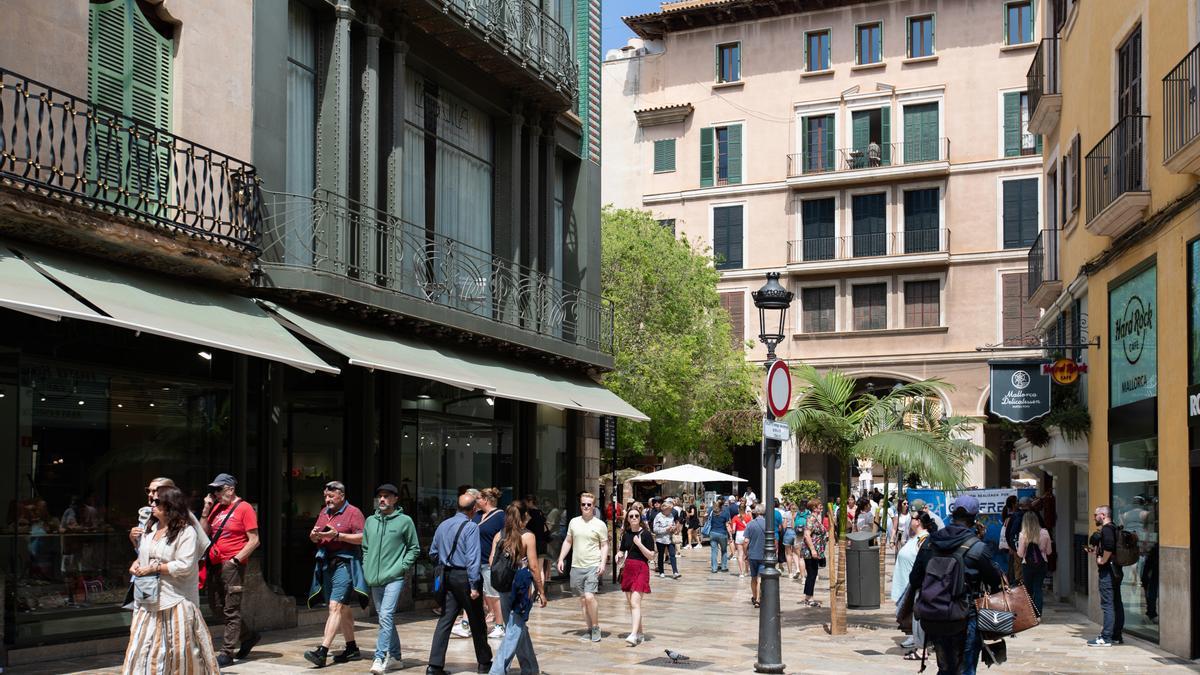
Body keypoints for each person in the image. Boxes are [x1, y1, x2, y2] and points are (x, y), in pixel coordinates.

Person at [122, 486, 219, 672]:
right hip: (148, 600)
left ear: (170, 505)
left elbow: (184, 565)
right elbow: (146, 554)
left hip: (174, 600)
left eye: (157, 501)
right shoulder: (150, 529)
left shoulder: (186, 532)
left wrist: (154, 567)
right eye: (151, 500)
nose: (152, 504)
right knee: (142, 650)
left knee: (178, 651)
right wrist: (136, 563)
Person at [905, 495, 1002, 675]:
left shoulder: (929, 543)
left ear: (952, 515)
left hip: (934, 616)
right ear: (974, 518)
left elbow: (915, 580)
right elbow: (995, 582)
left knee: (945, 668)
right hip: (965, 617)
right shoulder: (977, 548)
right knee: (965, 669)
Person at [427, 492, 493, 675]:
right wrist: (473, 584)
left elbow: (432, 552)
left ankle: (434, 666)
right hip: (464, 577)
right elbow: (473, 558)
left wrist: (444, 565)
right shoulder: (471, 527)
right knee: (477, 621)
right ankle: (484, 663)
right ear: (474, 509)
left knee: (445, 620)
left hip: (447, 576)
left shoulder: (443, 525)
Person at [304, 481, 368, 667]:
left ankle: (322, 651)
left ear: (341, 495)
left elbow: (363, 537)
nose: (327, 500)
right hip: (326, 562)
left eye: (331, 496)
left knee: (335, 607)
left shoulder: (354, 513)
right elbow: (314, 535)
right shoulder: (324, 512)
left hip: (345, 563)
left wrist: (338, 536)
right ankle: (352, 648)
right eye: (325, 496)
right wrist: (314, 536)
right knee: (344, 608)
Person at [200, 473, 261, 667]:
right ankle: (248, 636)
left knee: (231, 608)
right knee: (216, 607)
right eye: (214, 490)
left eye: (219, 489)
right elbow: (202, 533)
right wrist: (206, 509)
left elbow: (254, 540)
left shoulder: (245, 508)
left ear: (230, 489)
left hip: (232, 565)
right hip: (214, 563)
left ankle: (227, 652)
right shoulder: (216, 507)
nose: (215, 494)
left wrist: (235, 560)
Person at [362, 483, 419, 675]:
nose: (383, 499)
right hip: (374, 578)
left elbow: (414, 548)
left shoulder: (405, 521)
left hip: (394, 576)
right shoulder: (370, 521)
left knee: (385, 616)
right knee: (384, 617)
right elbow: (365, 548)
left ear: (395, 499)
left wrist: (401, 567)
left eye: (387, 496)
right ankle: (396, 657)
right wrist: (366, 565)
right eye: (380, 496)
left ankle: (379, 657)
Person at [488, 503, 546, 674]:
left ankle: (530, 668)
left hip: (502, 585)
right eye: (527, 515)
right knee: (515, 629)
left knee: (518, 626)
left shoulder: (500, 534)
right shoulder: (528, 536)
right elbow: (535, 567)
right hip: (519, 587)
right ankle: (497, 671)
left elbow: (492, 561)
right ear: (523, 517)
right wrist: (541, 591)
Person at [556, 492, 609, 642]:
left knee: (590, 596)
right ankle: (589, 628)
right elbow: (568, 541)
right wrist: (561, 558)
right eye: (583, 504)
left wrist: (602, 563)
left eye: (589, 504)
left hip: (592, 565)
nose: (586, 507)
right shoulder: (573, 522)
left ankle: (596, 627)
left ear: (594, 506)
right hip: (576, 566)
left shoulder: (600, 524)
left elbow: (605, 545)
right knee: (583, 600)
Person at [893, 512, 935, 660]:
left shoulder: (924, 539)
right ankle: (919, 644)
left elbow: (923, 563)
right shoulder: (916, 538)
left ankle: (921, 648)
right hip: (911, 584)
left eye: (913, 518)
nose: (911, 520)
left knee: (918, 617)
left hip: (918, 585)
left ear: (918, 522)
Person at [1085, 505, 1124, 647]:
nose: (1094, 518)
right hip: (1116, 570)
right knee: (1116, 603)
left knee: (1107, 604)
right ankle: (1116, 635)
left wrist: (1102, 560)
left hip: (1108, 571)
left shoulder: (1107, 529)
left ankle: (1106, 637)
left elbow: (1109, 546)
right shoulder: (1114, 527)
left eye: (1095, 515)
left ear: (1103, 515)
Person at [617, 503, 655, 646]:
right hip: (628, 569)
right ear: (627, 519)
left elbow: (651, 556)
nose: (633, 518)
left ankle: (633, 635)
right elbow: (622, 550)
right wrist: (618, 554)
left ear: (640, 518)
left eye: (636, 516)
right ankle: (640, 633)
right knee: (632, 604)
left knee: (635, 603)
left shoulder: (645, 534)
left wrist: (639, 544)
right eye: (631, 516)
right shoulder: (626, 534)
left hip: (641, 569)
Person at [474, 487, 507, 640]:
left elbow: (505, 538)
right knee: (474, 594)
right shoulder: (477, 515)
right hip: (475, 561)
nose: (476, 501)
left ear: (486, 500)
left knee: (493, 594)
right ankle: (470, 624)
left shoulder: (500, 516)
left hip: (489, 562)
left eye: (478, 498)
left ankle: (500, 625)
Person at [1016, 510, 1051, 615]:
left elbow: (1020, 554)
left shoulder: (1023, 534)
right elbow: (1049, 551)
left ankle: (1030, 614)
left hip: (1027, 565)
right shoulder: (1045, 532)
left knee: (1028, 590)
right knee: (1038, 589)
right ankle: (1038, 614)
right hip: (1042, 564)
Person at [800, 498, 827, 607]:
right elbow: (807, 535)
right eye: (819, 505)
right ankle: (809, 598)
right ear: (814, 508)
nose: (821, 506)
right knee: (812, 574)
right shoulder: (811, 518)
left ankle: (808, 597)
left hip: (816, 551)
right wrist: (812, 550)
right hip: (811, 551)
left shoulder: (816, 518)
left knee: (813, 574)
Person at [523, 494, 551, 583]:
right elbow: (546, 528)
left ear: (530, 502)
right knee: (540, 569)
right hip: (542, 543)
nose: (525, 505)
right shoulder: (541, 513)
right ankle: (540, 592)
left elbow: (524, 527)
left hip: (532, 543)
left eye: (526, 502)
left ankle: (533, 592)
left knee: (531, 569)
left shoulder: (528, 514)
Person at [744, 505, 767, 608]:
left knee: (753, 577)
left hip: (752, 555)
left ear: (756, 512)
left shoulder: (750, 524)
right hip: (764, 555)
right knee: (760, 578)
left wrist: (746, 553)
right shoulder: (768, 524)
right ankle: (758, 599)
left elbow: (746, 541)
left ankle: (754, 597)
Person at [652, 500, 680, 579]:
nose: (671, 511)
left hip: (670, 539)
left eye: (671, 509)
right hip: (660, 539)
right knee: (661, 555)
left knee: (672, 555)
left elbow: (673, 524)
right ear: (664, 509)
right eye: (669, 509)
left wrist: (674, 528)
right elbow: (655, 529)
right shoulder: (658, 516)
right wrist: (665, 529)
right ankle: (661, 572)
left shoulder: (671, 515)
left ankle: (675, 572)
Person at [707, 497, 731, 573]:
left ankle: (714, 568)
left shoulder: (712, 511)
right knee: (724, 550)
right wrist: (730, 536)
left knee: (714, 551)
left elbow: (706, 518)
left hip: (713, 533)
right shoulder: (725, 512)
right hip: (722, 533)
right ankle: (724, 567)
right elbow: (727, 524)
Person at [732, 504, 751, 577]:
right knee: (746, 554)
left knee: (740, 554)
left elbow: (733, 530)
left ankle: (741, 572)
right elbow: (750, 527)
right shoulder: (748, 517)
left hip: (739, 535)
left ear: (738, 510)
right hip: (746, 535)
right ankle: (746, 570)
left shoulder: (735, 518)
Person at [780, 502, 798, 579]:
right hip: (796, 534)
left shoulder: (786, 514)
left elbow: (784, 526)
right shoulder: (798, 514)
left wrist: (787, 520)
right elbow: (795, 526)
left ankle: (790, 573)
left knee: (788, 554)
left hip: (788, 533)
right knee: (795, 553)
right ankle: (797, 568)